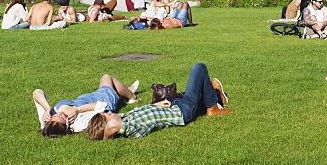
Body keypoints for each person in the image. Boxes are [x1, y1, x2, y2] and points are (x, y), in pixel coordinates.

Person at [86, 63, 230, 139]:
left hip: (172, 106)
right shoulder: (131, 129)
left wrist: (157, 104)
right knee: (199, 67)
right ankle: (213, 108)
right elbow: (111, 126)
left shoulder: (126, 116)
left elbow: (145, 112)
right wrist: (102, 131)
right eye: (108, 115)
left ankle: (216, 95)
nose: (110, 112)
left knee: (197, 90)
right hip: (182, 111)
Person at [34, 74, 139, 137]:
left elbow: (37, 92)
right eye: (62, 117)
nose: (59, 114)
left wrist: (47, 108)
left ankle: (123, 92)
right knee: (107, 77)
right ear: (67, 124)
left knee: (113, 89)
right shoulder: (78, 123)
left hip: (90, 97)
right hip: (103, 100)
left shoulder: (47, 121)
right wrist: (78, 110)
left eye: (55, 116)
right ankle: (132, 97)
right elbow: (102, 105)